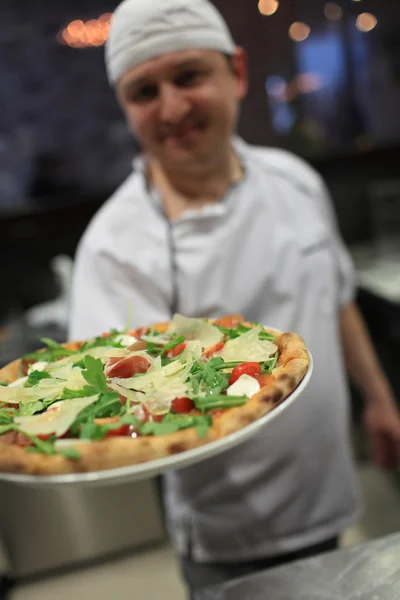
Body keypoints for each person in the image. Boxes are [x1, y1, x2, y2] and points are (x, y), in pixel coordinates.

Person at [69, 0, 400, 595]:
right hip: (230, 533)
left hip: (329, 486)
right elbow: (112, 403)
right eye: (144, 91)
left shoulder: (296, 180)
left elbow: (336, 298)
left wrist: (378, 398)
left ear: (238, 73)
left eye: (189, 76)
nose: (171, 108)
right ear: (124, 106)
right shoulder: (113, 246)